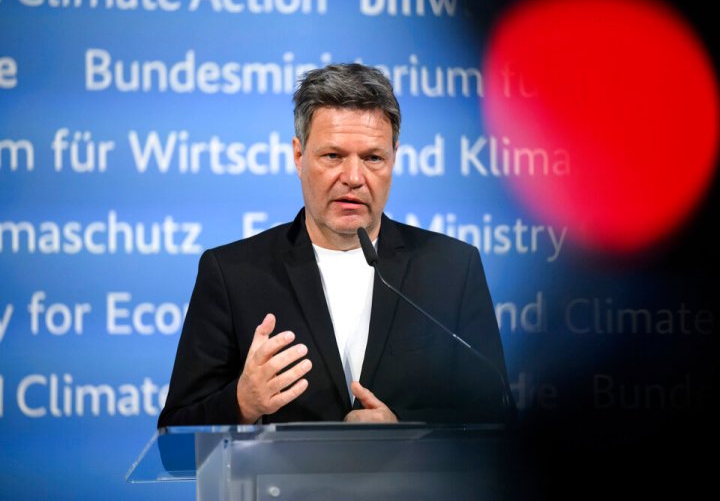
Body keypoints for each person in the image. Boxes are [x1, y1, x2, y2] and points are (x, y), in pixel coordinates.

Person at [158, 63, 510, 427]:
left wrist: (405, 431)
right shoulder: (233, 274)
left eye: (373, 158)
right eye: (333, 156)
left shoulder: (452, 268)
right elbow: (174, 438)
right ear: (299, 156)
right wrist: (242, 403)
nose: (354, 178)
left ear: (394, 159)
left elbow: (497, 421)